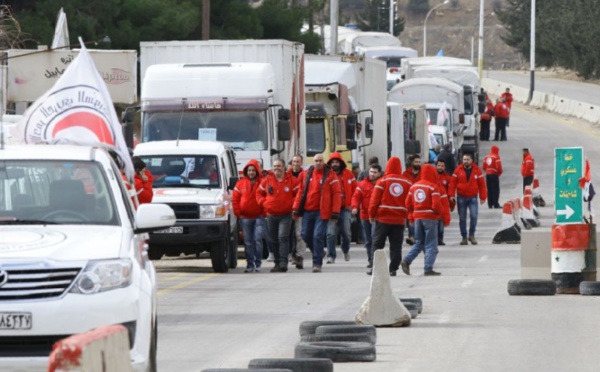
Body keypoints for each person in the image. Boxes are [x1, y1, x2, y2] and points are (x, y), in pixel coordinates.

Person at [293, 154, 342, 273]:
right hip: (308, 211)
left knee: (317, 235)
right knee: (304, 235)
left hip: (322, 212)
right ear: (313, 162)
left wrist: (335, 211)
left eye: (320, 160)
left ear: (324, 162)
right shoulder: (305, 174)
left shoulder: (331, 175)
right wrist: (295, 208)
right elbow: (300, 192)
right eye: (316, 161)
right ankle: (319, 252)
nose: (318, 163)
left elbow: (336, 194)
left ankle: (317, 263)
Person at [368, 156, 412, 276]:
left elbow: (374, 201)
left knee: (377, 244)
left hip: (383, 219)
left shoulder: (382, 181)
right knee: (396, 245)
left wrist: (371, 214)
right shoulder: (407, 183)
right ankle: (393, 268)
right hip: (399, 220)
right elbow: (410, 201)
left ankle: (374, 267)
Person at [401, 164, 446, 276]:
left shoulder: (414, 186)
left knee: (419, 242)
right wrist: (440, 213)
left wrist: (412, 215)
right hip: (430, 218)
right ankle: (428, 268)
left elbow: (407, 203)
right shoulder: (433, 187)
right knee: (431, 244)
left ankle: (407, 260)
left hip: (417, 218)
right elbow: (436, 205)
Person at [257, 159, 299, 273]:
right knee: (273, 240)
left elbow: (298, 194)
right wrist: (264, 203)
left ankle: (283, 262)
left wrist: (292, 205)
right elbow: (258, 194)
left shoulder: (292, 180)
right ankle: (277, 263)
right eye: (275, 166)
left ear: (284, 167)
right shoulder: (266, 180)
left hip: (286, 215)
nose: (277, 168)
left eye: (279, 166)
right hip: (271, 215)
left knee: (283, 237)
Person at [232, 159, 266, 273]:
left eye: (253, 170)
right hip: (245, 217)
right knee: (248, 242)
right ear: (246, 171)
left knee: (258, 239)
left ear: (257, 171)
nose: (251, 172)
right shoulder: (240, 183)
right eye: (249, 170)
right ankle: (250, 264)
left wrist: (264, 212)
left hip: (259, 217)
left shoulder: (263, 183)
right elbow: (235, 199)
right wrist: (238, 213)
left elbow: (267, 198)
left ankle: (258, 264)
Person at [449, 153, 487, 245]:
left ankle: (472, 235)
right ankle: (464, 237)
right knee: (462, 218)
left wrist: (483, 197)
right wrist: (451, 195)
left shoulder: (477, 171)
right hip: (461, 197)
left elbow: (482, 184)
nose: (466, 161)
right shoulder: (458, 170)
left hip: (473, 198)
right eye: (464, 159)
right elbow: (452, 184)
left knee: (474, 216)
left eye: (468, 159)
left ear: (472, 160)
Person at [326, 152, 357, 263]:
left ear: (341, 163)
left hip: (345, 208)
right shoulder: (327, 175)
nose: (335, 164)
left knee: (346, 233)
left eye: (336, 162)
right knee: (331, 233)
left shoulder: (349, 174)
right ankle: (331, 256)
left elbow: (355, 191)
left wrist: (353, 205)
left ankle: (345, 250)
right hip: (331, 209)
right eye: (333, 162)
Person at [351, 164, 382, 269]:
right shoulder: (362, 184)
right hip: (365, 216)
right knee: (368, 240)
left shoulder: (382, 184)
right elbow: (356, 196)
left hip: (377, 216)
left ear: (379, 174)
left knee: (374, 237)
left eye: (375, 172)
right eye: (371, 172)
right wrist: (354, 207)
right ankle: (370, 259)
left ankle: (374, 260)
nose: (372, 174)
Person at [287, 154, 306, 269]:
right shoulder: (286, 176)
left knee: (299, 234)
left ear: (301, 163)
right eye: (294, 162)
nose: (296, 164)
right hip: (287, 209)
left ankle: (299, 256)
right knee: (289, 234)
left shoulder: (305, 175)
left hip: (300, 209)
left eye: (298, 162)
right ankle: (291, 254)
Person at [403, 155, 421, 245]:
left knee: (419, 218)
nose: (418, 164)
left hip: (420, 199)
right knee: (410, 218)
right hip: (409, 199)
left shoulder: (423, 173)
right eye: (416, 162)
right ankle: (412, 236)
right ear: (412, 163)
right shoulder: (405, 174)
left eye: (419, 162)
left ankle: (417, 236)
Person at [436, 160, 453, 245]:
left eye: (442, 166)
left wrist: (451, 202)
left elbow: (450, 190)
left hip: (443, 201)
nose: (440, 167)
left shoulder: (447, 177)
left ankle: (440, 238)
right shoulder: (433, 176)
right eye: (439, 165)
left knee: (441, 222)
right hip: (434, 201)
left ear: (444, 167)